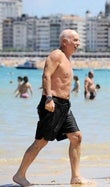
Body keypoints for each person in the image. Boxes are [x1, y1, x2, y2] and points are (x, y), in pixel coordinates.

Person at [13, 29, 91, 186]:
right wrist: (49, 98)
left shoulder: (67, 58)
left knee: (76, 137)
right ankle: (19, 175)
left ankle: (75, 176)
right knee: (41, 141)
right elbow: (46, 75)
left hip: (64, 105)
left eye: (78, 40)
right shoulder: (56, 55)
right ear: (64, 41)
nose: (78, 43)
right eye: (75, 40)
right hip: (52, 103)